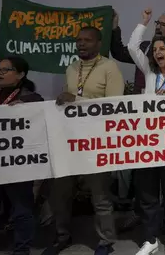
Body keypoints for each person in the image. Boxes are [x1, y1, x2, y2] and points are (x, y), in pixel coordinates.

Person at [109, 9, 165, 232]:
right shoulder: (148, 63)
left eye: (162, 24)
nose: (157, 53)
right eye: (155, 50)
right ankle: (144, 217)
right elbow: (127, 49)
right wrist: (143, 23)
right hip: (146, 127)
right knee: (144, 177)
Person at [43, 27, 124, 255]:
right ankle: (62, 236)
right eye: (78, 40)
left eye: (87, 40)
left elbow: (115, 105)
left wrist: (76, 99)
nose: (81, 44)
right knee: (60, 193)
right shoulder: (72, 67)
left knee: (100, 196)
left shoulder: (109, 67)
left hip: (97, 141)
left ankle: (105, 242)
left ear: (99, 43)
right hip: (70, 141)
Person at [0, 56, 43, 255]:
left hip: (17, 165)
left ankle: (22, 250)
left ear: (21, 75)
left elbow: (40, 120)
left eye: (6, 70)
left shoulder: (31, 99)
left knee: (22, 210)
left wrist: (23, 108)